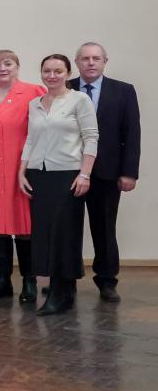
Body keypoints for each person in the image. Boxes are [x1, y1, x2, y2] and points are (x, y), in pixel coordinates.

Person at [20, 54, 98, 316]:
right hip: (38, 175)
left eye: (57, 71)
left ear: (67, 73)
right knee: (43, 233)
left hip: (68, 175)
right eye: (47, 71)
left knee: (64, 234)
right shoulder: (35, 103)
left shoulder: (79, 99)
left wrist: (85, 174)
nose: (51, 76)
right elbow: (30, 139)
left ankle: (60, 292)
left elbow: (91, 138)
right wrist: (22, 172)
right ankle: (58, 288)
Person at [0, 49, 46, 303]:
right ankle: (3, 280)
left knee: (25, 228)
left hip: (21, 168)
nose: (2, 68)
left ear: (17, 66)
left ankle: (29, 281)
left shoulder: (35, 92)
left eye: (8, 64)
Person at [68, 42, 141, 302]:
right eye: (85, 58)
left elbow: (131, 134)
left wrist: (129, 172)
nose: (90, 62)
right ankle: (67, 278)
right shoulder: (65, 88)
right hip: (68, 172)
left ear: (104, 61)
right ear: (76, 62)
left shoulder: (123, 91)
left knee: (104, 228)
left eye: (96, 58)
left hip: (108, 173)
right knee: (68, 228)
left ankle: (107, 280)